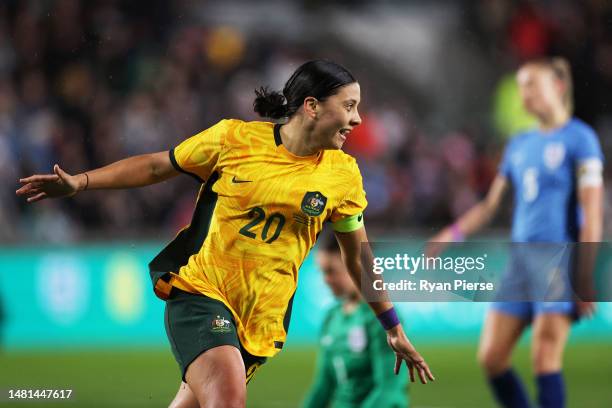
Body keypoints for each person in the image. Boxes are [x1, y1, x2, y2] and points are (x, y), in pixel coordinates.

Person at [17, 60, 434, 408]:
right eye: (349, 106)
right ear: (312, 106)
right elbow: (156, 166)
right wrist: (81, 182)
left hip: (261, 321)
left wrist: (392, 326)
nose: (358, 119)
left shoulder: (343, 175)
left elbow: (358, 256)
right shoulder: (235, 139)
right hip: (201, 293)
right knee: (229, 400)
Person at [429, 57, 604, 408]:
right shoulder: (519, 144)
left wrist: (584, 275)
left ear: (558, 86)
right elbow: (491, 205)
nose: (524, 95)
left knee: (544, 357)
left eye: (532, 85)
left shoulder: (580, 138)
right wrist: (453, 233)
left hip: (557, 259)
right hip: (519, 261)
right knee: (491, 358)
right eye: (521, 87)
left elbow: (593, 210)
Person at [303, 231, 409, 408]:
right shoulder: (331, 317)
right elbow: (323, 387)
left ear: (356, 264)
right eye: (322, 272)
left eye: (331, 271)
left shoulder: (382, 321)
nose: (326, 280)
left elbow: (389, 391)